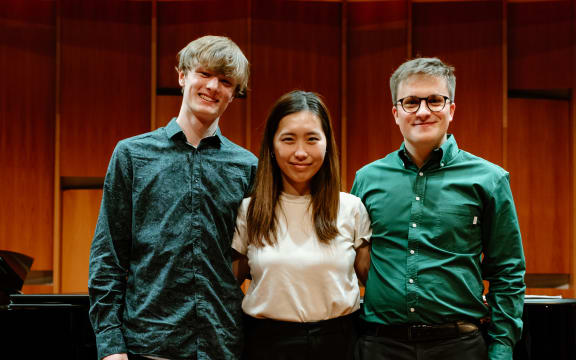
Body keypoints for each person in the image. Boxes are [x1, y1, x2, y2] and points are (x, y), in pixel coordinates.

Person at [88, 35, 257, 360]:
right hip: (148, 345)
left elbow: (254, 263)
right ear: (182, 76)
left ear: (233, 94)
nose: (212, 86)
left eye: (225, 80)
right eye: (204, 74)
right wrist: (110, 347)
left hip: (223, 345)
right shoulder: (132, 156)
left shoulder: (248, 167)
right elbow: (107, 258)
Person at [351, 57, 526, 360]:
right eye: (410, 102)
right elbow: (348, 261)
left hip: (459, 346)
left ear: (451, 109)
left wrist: (501, 347)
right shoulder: (366, 179)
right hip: (381, 346)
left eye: (434, 100)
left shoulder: (490, 180)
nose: (422, 111)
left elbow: (508, 270)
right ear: (396, 113)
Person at [232, 90, 372, 360]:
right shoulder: (251, 210)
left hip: (339, 342)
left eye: (311, 139)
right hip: (265, 343)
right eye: (288, 139)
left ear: (326, 144)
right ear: (272, 146)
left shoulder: (351, 208)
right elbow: (228, 283)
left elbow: (373, 283)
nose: (300, 152)